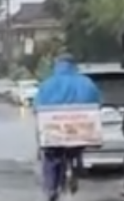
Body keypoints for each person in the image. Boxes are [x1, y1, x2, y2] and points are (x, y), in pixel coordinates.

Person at [34, 54, 102, 195]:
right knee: (76, 150)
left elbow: (37, 107)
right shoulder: (86, 83)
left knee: (51, 158)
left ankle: (51, 188)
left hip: (55, 133)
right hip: (79, 133)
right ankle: (76, 168)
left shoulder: (47, 84)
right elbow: (97, 103)